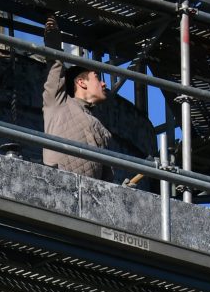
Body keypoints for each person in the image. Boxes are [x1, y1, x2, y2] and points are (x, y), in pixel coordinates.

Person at [41, 15, 155, 184]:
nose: (103, 83)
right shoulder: (58, 103)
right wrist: (53, 38)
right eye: (97, 77)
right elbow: (55, 65)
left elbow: (106, 180)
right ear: (81, 82)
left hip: (87, 199)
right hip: (56, 186)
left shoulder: (102, 131)